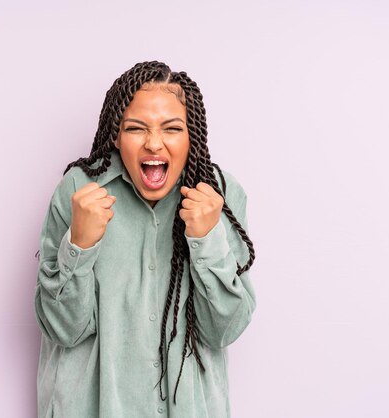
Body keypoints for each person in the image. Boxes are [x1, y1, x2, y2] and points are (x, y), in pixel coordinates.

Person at [34, 60, 256, 418]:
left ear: (191, 135)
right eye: (137, 128)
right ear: (116, 135)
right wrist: (80, 245)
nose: (154, 144)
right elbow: (63, 329)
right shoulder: (78, 190)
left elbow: (223, 330)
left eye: (171, 128)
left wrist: (207, 240)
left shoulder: (221, 196)